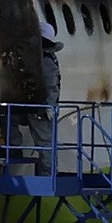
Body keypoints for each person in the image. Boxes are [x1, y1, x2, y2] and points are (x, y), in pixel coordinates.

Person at [29, 22, 63, 175]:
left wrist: (49, 106)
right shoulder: (47, 58)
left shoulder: (46, 60)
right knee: (45, 142)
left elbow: (51, 87)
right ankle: (12, 149)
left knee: (45, 143)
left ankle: (48, 173)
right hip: (33, 106)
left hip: (40, 108)